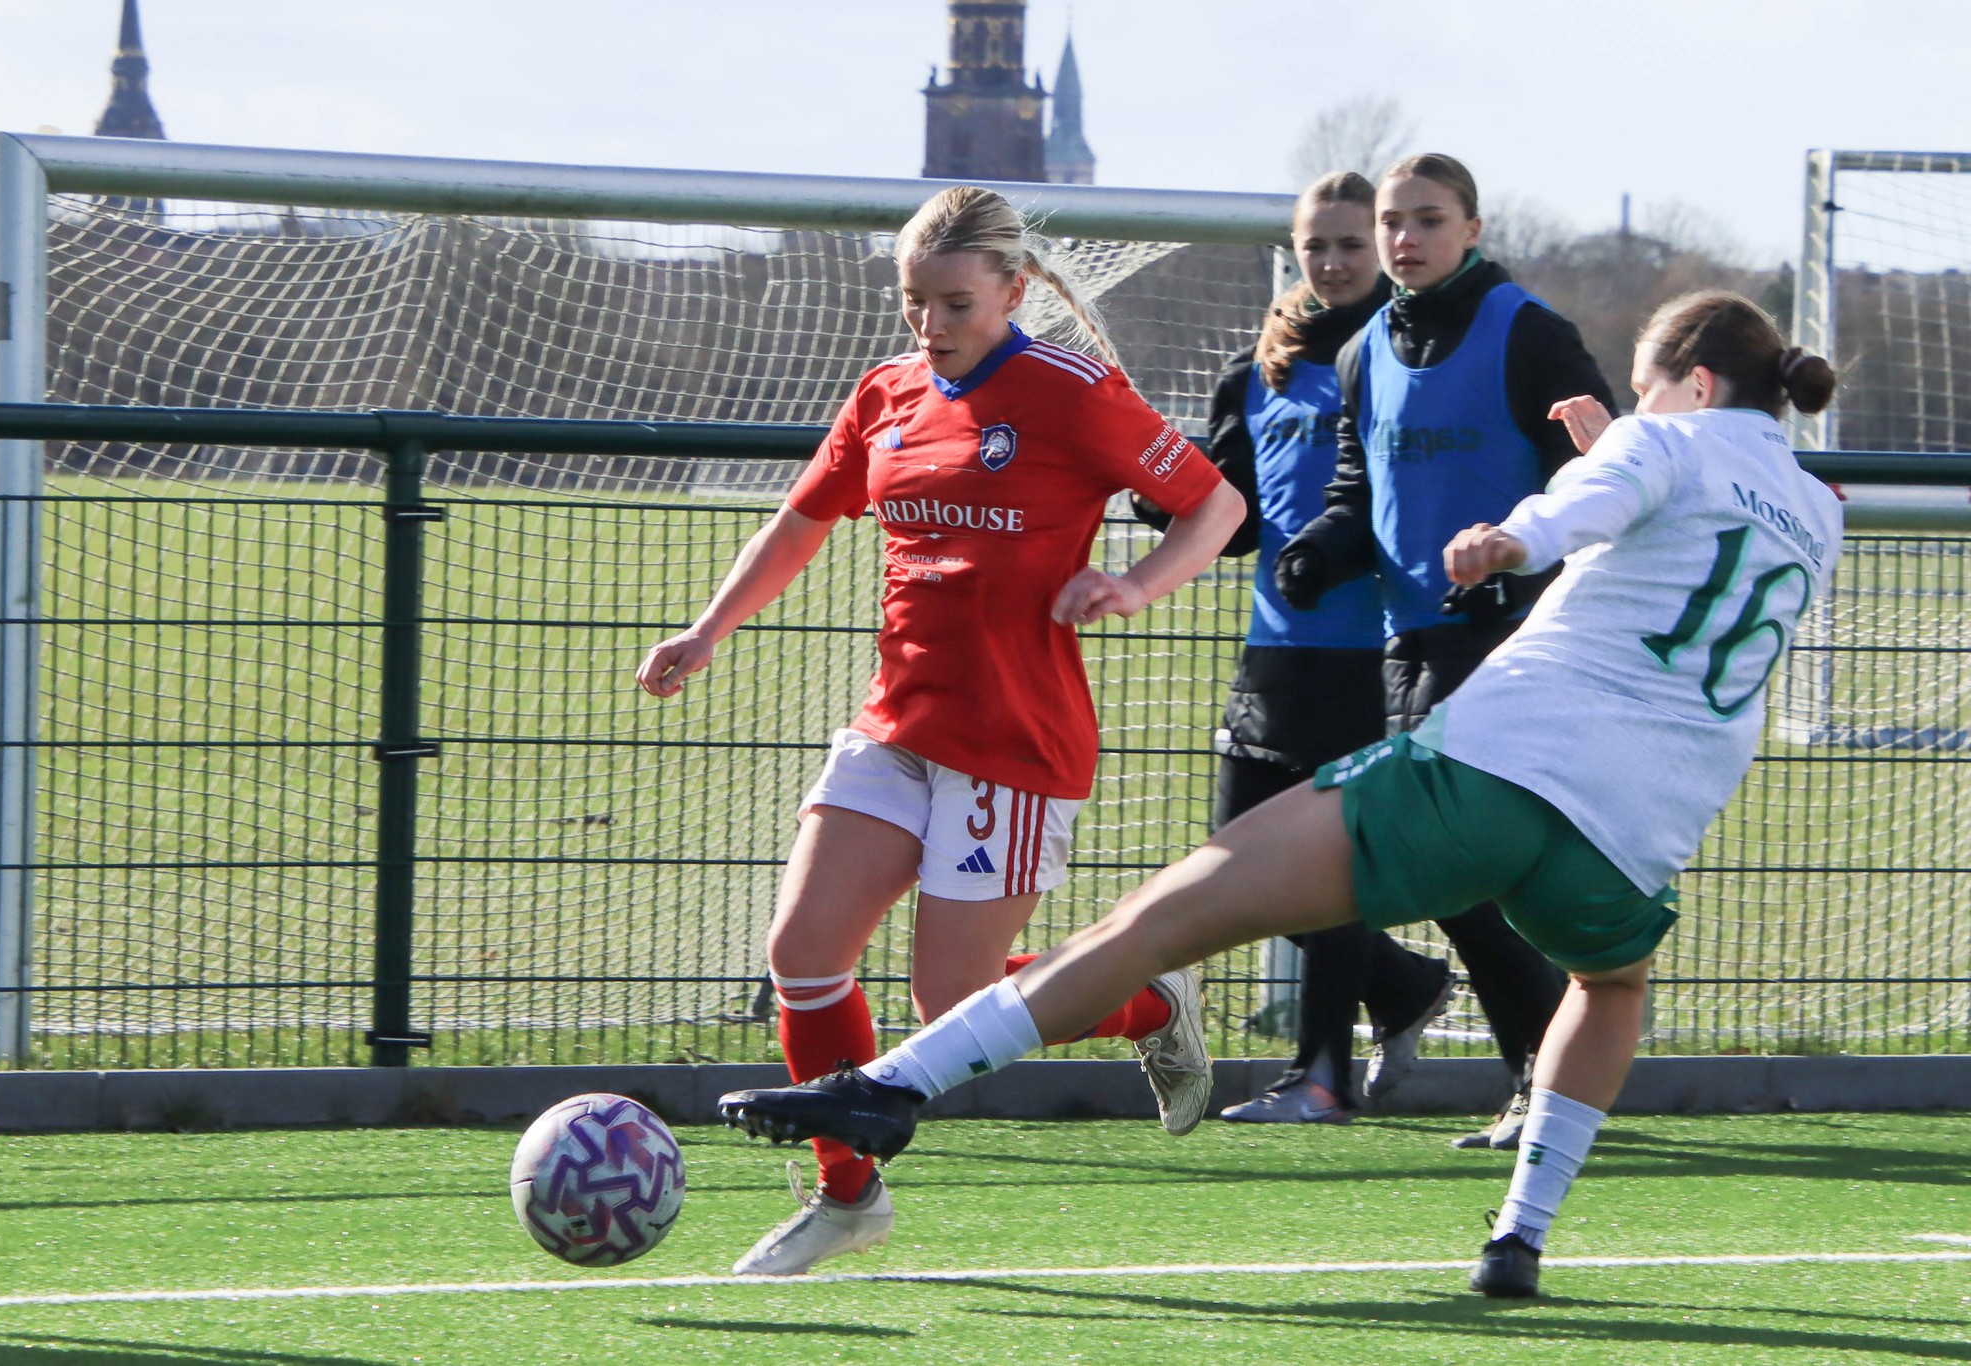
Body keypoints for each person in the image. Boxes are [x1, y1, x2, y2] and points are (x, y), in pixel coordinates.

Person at [717, 288, 1842, 1300]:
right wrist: (1607, 460)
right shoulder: (1817, 504)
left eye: (1647, 388)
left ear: (1695, 386)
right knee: (1610, 987)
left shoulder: (1657, 441)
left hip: (1490, 777)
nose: (1636, 408)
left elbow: (1585, 507)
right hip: (1633, 842)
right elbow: (1669, 545)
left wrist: (1511, 535)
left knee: (1159, 918)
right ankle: (1519, 1235)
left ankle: (889, 1087)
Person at [637, 184, 1246, 1277]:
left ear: (1013, 291)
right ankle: (846, 1196)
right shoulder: (886, 394)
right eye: (913, 300)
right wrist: (708, 627)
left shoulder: (1069, 391)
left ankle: (1149, 998)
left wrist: (1135, 583)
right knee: (803, 953)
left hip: (1014, 742)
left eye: (955, 303)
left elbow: (1217, 504)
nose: (930, 323)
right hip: (894, 723)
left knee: (951, 1004)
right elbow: (802, 520)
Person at [1275, 153, 1621, 1147]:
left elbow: (1602, 480)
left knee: (1450, 862)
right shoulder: (1361, 353)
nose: (1403, 238)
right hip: (1410, 643)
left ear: (1471, 229)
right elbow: (1358, 493)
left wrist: (1520, 566)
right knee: (1455, 874)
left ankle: (1546, 1076)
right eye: (1392, 221)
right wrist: (1319, 550)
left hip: (1515, 641)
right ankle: (1546, 1075)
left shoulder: (1529, 334)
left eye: (1427, 220)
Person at [1135, 171, 1455, 1126]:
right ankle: (1403, 987)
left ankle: (1321, 1076)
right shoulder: (1257, 368)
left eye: (1353, 243)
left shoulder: (1411, 360)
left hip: (1374, 655)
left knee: (1335, 871)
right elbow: (1233, 518)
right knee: (1239, 866)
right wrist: (1166, 495)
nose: (1335, 261)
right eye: (1317, 244)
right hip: (1274, 650)